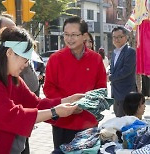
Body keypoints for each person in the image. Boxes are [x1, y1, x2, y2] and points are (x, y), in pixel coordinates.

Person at [0, 26, 83, 154]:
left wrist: (67, 100)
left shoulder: (13, 79)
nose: (26, 65)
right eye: (25, 59)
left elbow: (36, 103)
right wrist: (54, 112)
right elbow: (11, 116)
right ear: (10, 53)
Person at [43, 16, 107, 151]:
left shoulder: (96, 59)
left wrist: (86, 104)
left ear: (84, 36)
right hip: (63, 121)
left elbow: (101, 88)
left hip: (88, 121)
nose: (69, 39)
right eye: (66, 34)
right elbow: (48, 88)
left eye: (74, 35)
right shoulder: (55, 59)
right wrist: (68, 104)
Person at [109, 26, 137, 117]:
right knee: (118, 121)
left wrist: (110, 77)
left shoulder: (130, 51)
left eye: (120, 37)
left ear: (125, 37)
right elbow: (113, 69)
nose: (117, 39)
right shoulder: (114, 53)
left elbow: (126, 71)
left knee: (126, 123)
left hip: (126, 93)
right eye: (114, 37)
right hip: (116, 93)